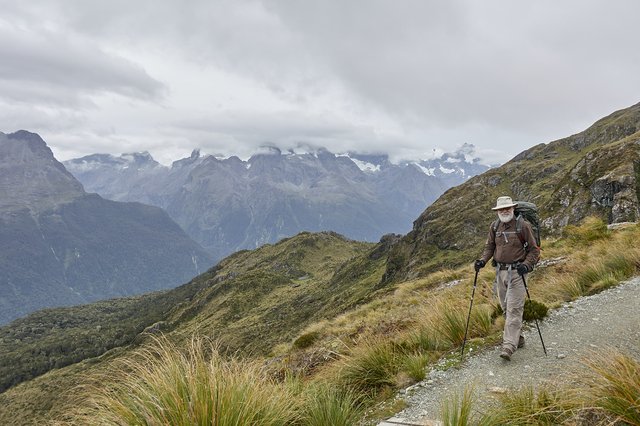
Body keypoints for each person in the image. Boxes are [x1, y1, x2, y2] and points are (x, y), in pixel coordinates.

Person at [474, 196, 540, 361]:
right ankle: (518, 338)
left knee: (514, 309)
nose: (504, 211)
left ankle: (508, 346)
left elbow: (534, 250)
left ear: (513, 208)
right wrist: (482, 260)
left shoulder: (522, 226)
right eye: (501, 209)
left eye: (507, 208)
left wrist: (526, 265)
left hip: (518, 273)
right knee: (505, 308)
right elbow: (490, 246)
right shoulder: (495, 226)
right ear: (497, 211)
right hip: (500, 272)